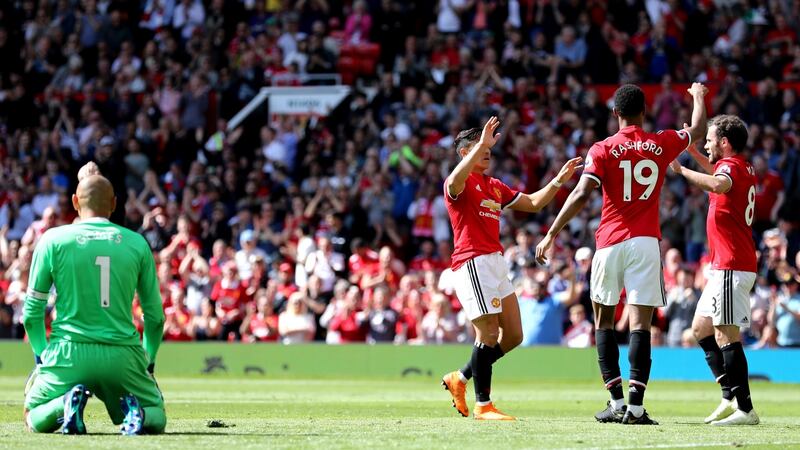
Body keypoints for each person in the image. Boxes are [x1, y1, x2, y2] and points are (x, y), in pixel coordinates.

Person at [536, 83, 708, 425]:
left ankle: (615, 402)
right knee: (641, 326)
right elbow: (700, 130)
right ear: (644, 112)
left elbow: (583, 193)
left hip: (610, 241)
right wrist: (699, 96)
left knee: (603, 321)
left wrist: (552, 232)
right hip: (645, 241)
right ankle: (637, 407)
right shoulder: (660, 142)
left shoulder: (601, 149)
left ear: (615, 113)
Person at [440, 116, 582, 420]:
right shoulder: (459, 184)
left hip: (495, 261)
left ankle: (460, 378)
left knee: (514, 335)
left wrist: (558, 179)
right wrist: (481, 143)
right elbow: (453, 182)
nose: (488, 151)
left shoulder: (494, 186)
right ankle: (483, 406)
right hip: (472, 261)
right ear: (466, 153)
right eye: (481, 147)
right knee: (488, 333)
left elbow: (532, 203)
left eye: (490, 147)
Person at [22, 175, 166, 435]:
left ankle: (64, 405)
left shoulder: (52, 240)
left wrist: (42, 356)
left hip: (68, 353)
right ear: (113, 204)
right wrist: (149, 360)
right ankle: (138, 413)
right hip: (122, 355)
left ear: (75, 202)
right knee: (157, 414)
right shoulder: (137, 243)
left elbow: (31, 315)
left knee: (32, 414)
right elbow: (155, 317)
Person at [671, 114, 760, 425]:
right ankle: (729, 393)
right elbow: (717, 173)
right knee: (700, 328)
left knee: (726, 334)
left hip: (732, 263)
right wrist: (692, 152)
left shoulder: (730, 169)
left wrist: (682, 169)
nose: (705, 144)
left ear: (724, 142)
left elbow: (718, 183)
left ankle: (745, 408)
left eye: (709, 140)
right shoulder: (741, 166)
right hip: (723, 265)